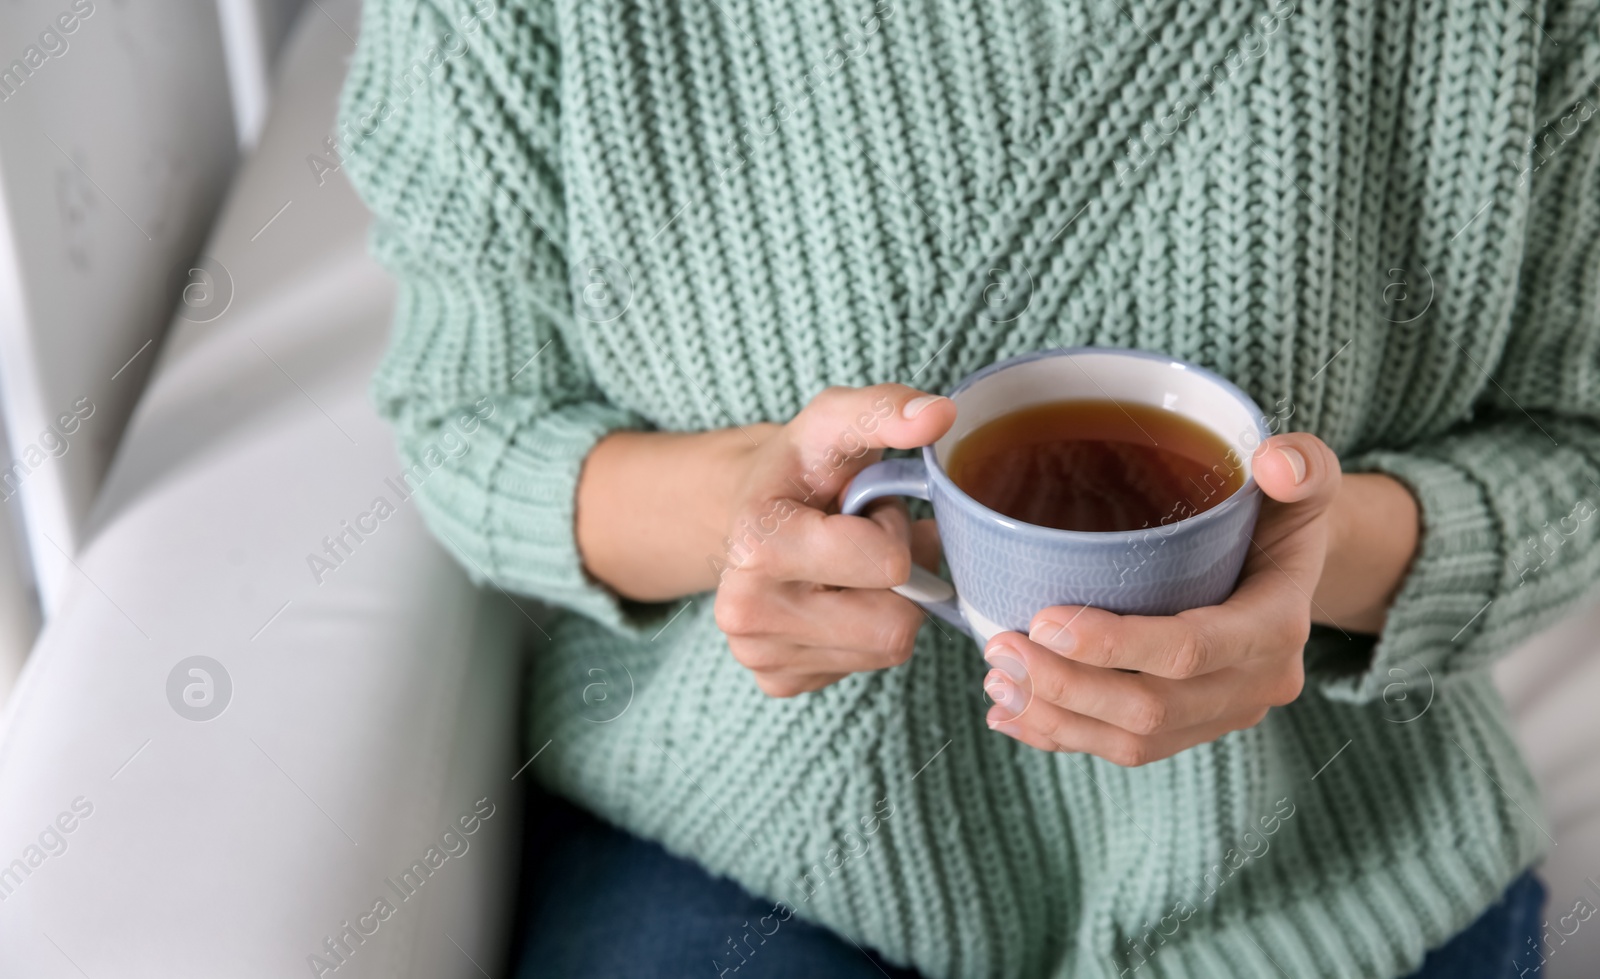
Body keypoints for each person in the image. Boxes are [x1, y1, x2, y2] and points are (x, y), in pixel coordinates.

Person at [338, 0, 1599, 975]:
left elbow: (1573, 442)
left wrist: (1321, 561)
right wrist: (745, 516)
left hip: (1336, 865)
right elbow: (472, 414)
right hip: (743, 842)